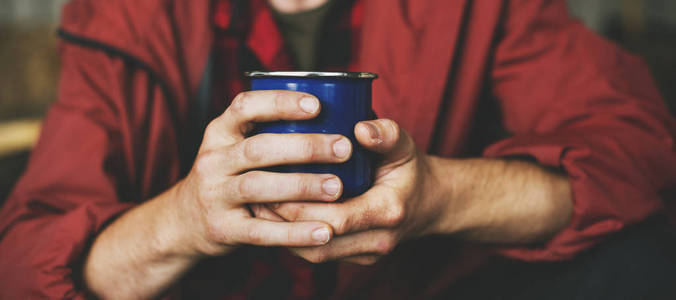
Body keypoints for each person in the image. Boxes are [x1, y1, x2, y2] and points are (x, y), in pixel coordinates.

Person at [1, 0, 675, 299]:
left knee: (643, 259)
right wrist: (183, 221)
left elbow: (636, 155)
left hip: (422, 287)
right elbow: (22, 266)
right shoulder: (125, 13)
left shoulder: (487, 7)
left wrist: (441, 195)